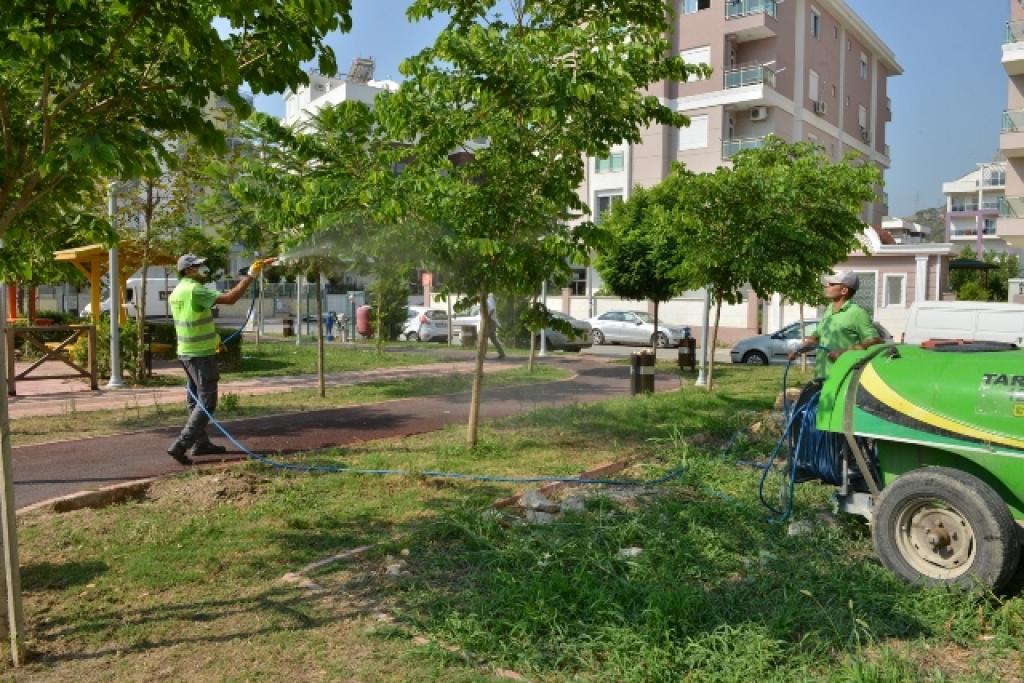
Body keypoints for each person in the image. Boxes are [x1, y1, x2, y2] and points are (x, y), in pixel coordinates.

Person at [166, 254, 276, 465]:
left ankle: (201, 443)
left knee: (195, 400)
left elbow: (193, 319)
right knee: (207, 401)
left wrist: (215, 340)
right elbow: (231, 298)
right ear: (187, 270)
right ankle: (181, 444)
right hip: (200, 355)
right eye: (198, 265)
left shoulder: (178, 291)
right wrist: (250, 276)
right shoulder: (195, 290)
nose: (203, 268)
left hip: (187, 352)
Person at [788, 270, 883, 378]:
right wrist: (798, 351)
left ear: (844, 290)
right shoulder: (829, 310)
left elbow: (876, 340)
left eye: (832, 284)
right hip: (821, 376)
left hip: (843, 379)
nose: (827, 286)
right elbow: (815, 339)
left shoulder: (858, 313)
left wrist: (845, 352)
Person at [485, 292, 505, 360]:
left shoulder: (489, 299)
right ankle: (501, 353)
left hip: (490, 321)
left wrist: (487, 318)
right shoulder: (489, 298)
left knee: (484, 337)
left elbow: (492, 309)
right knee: (493, 338)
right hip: (491, 321)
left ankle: (482, 354)